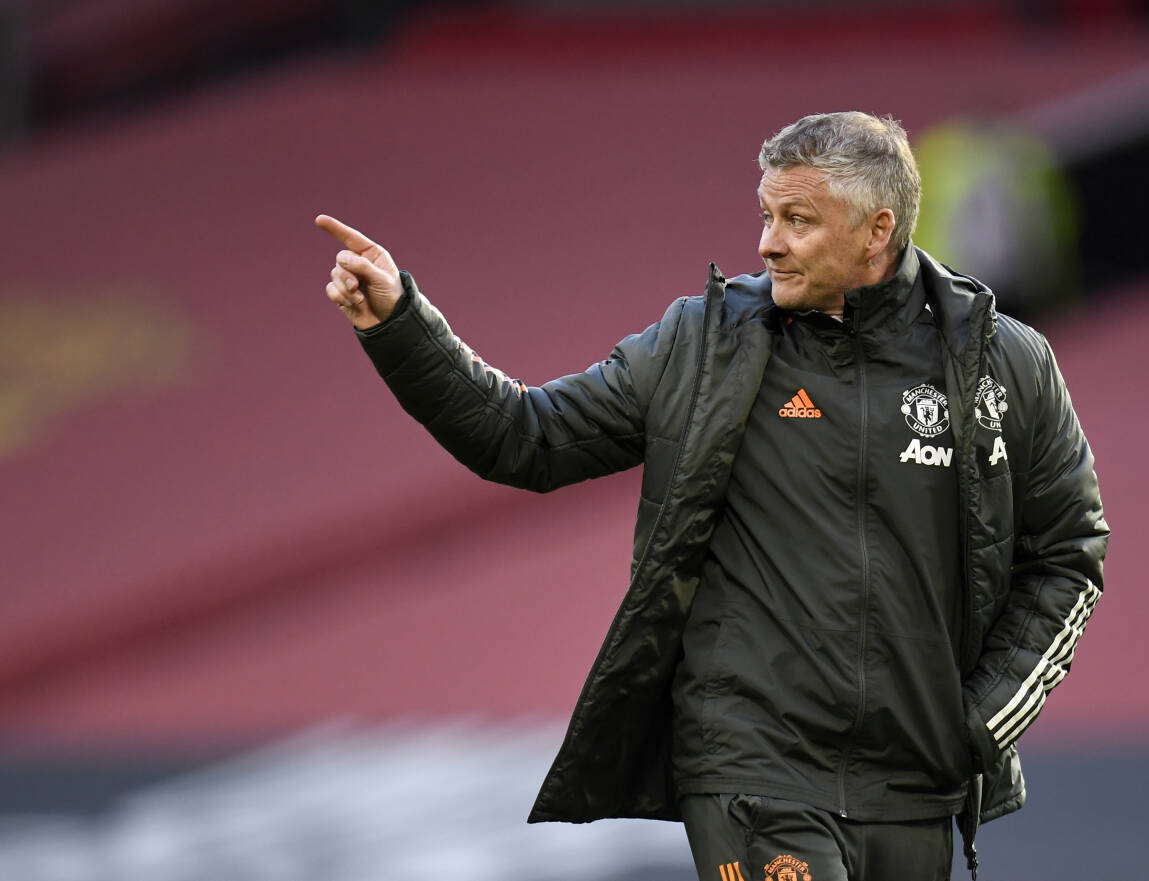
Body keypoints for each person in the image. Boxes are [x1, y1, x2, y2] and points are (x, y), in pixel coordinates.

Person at [315, 111, 1108, 881]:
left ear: (877, 229)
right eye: (766, 214)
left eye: (797, 218)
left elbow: (1067, 555)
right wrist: (402, 326)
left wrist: (981, 723)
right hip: (752, 766)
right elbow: (528, 435)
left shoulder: (1003, 362)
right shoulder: (701, 344)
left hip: (919, 782)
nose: (767, 242)